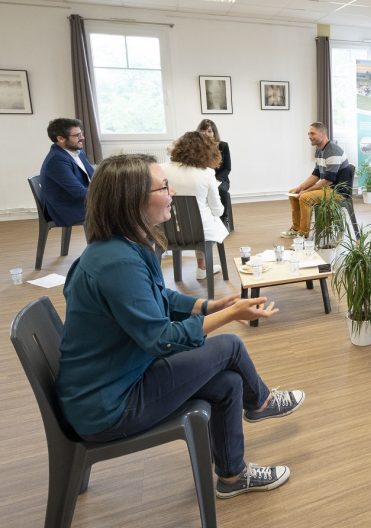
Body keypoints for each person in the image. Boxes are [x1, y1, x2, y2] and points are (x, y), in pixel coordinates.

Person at [56, 154, 305, 498]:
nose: (172, 191)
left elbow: (160, 298)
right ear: (131, 199)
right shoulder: (117, 263)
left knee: (229, 382)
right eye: (163, 186)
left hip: (117, 381)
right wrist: (230, 315)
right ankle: (260, 403)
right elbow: (161, 340)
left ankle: (232, 477)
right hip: (109, 405)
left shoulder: (121, 248)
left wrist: (209, 305)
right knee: (230, 345)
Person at [162, 131, 229, 280]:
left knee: (194, 220)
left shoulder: (162, 169)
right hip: (200, 234)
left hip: (169, 231)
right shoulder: (207, 173)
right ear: (206, 151)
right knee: (207, 220)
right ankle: (202, 267)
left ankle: (201, 268)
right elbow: (218, 210)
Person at [282, 122, 352, 238]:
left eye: (312, 133)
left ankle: (303, 235)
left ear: (323, 134)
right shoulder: (320, 150)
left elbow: (328, 180)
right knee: (293, 192)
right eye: (309, 133)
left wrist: (307, 191)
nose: (309, 136)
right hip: (328, 188)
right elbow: (316, 174)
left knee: (305, 197)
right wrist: (301, 187)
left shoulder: (333, 151)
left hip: (338, 191)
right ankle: (296, 228)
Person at [40, 117, 95, 226]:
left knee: (124, 205)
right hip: (68, 208)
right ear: (60, 138)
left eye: (81, 133)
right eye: (77, 135)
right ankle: (107, 242)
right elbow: (79, 193)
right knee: (121, 210)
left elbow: (94, 177)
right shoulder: (56, 160)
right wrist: (109, 195)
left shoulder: (78, 152)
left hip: (80, 201)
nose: (82, 138)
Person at [196, 119, 233, 230]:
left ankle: (224, 218)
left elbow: (227, 168)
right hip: (202, 178)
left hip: (220, 178)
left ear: (214, 133)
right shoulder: (195, 148)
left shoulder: (223, 146)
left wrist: (217, 179)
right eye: (202, 131)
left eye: (209, 131)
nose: (206, 134)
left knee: (221, 190)